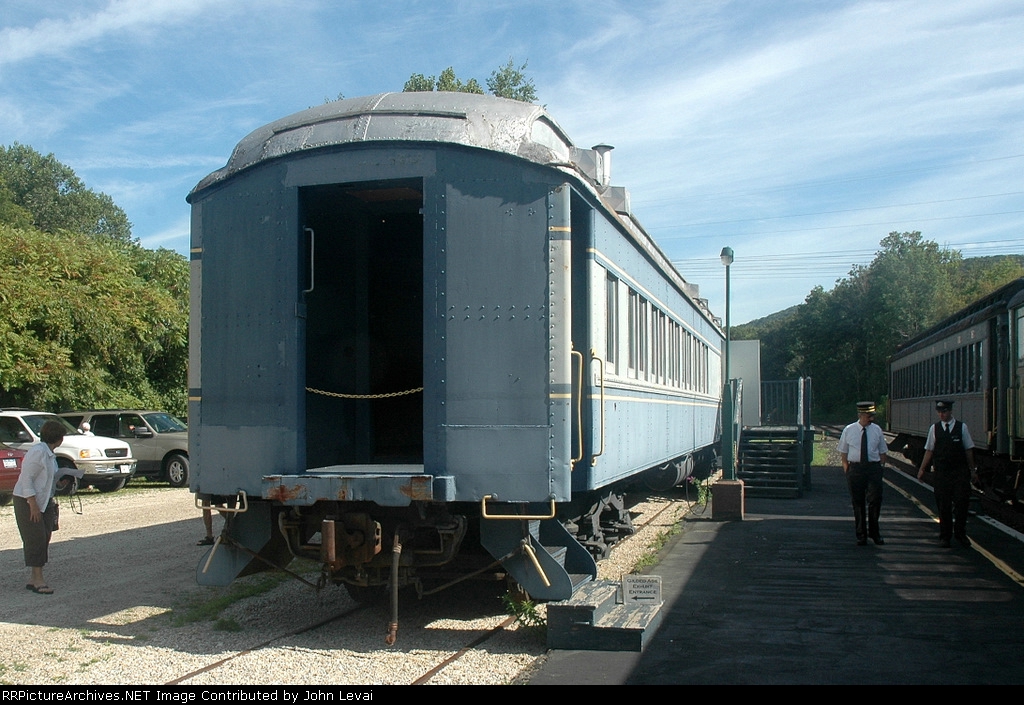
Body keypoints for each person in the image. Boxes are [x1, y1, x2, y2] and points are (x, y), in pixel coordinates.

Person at [13, 420, 83, 594]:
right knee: (35, 537)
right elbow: (27, 478)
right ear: (58, 438)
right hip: (27, 500)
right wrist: (32, 504)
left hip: (43, 501)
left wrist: (59, 482)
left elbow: (44, 479)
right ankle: (37, 579)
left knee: (44, 536)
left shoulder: (49, 453)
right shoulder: (38, 452)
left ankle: (34, 577)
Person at [916, 400, 977, 548]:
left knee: (962, 504)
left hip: (959, 473)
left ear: (950, 411)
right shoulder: (934, 429)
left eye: (944, 411)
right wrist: (922, 469)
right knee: (943, 506)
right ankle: (945, 536)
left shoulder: (962, 428)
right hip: (942, 474)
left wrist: (973, 470)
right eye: (939, 412)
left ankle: (960, 534)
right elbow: (929, 450)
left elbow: (968, 450)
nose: (941, 414)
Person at [838, 401, 889, 545]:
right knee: (858, 502)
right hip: (856, 469)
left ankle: (875, 532)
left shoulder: (877, 430)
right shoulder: (849, 430)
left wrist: (881, 468)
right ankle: (861, 534)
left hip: (873, 469)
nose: (871, 418)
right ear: (860, 415)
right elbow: (844, 452)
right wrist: (847, 470)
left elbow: (883, 451)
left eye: (872, 415)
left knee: (875, 501)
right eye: (868, 416)